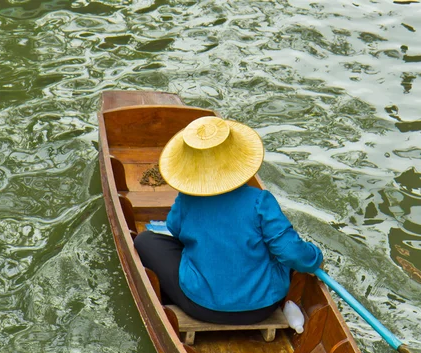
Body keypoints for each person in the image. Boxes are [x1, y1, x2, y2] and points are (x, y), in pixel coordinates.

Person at [134, 115, 323, 325]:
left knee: (144, 241)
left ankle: (169, 299)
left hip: (200, 306)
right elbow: (292, 253)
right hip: (262, 307)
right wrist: (315, 256)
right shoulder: (260, 200)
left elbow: (174, 229)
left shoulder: (188, 199)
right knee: (279, 252)